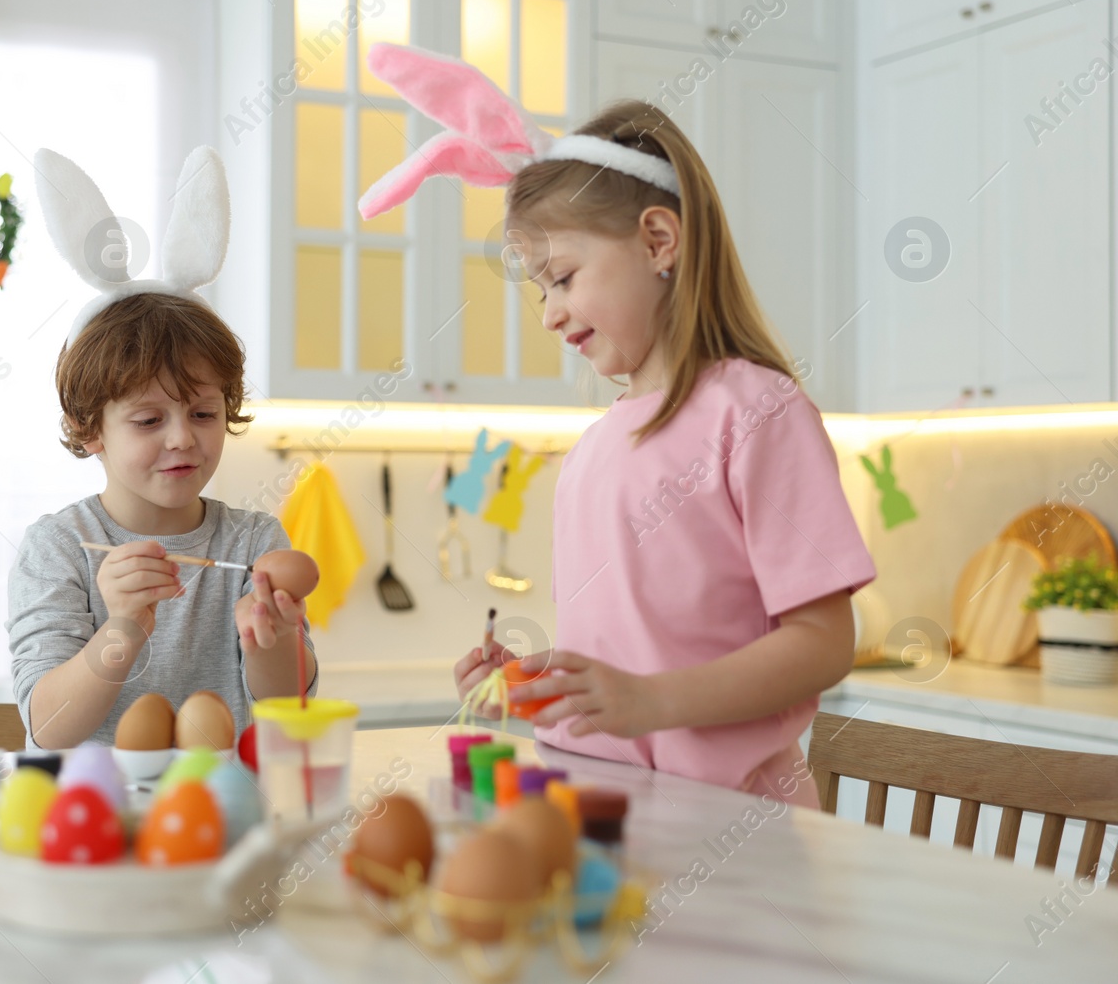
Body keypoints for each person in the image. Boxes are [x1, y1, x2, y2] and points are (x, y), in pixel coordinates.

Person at [358, 44, 874, 805]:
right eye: (538, 290)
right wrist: (534, 685)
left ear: (659, 241)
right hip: (595, 802)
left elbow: (824, 642)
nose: (549, 311)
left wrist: (651, 701)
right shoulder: (597, 446)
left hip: (728, 823)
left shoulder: (756, 411)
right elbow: (624, 651)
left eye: (563, 277)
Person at [7, 147, 316, 749]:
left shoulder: (254, 544)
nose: (183, 437)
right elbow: (46, 727)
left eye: (203, 413)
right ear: (90, 427)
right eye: (149, 420)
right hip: (93, 823)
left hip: (226, 817)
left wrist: (272, 639)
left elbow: (288, 708)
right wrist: (121, 626)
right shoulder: (61, 547)